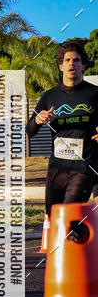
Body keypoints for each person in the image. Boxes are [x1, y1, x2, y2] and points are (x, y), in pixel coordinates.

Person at [26, 40, 98, 215]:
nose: (71, 64)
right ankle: (84, 239)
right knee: (54, 216)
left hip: (85, 167)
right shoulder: (49, 96)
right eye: (67, 60)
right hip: (57, 168)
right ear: (61, 66)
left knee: (68, 213)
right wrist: (37, 120)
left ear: (83, 66)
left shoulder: (95, 94)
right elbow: (29, 131)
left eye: (76, 60)